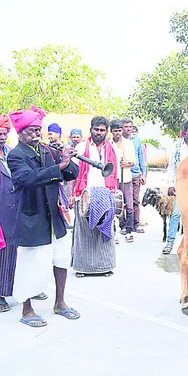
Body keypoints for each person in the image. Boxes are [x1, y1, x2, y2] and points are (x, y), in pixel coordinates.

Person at [7, 106, 80, 327]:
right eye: (31, 130)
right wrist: (59, 165)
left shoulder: (48, 151)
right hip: (33, 214)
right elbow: (28, 178)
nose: (37, 134)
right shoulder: (16, 155)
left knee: (61, 259)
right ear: (20, 133)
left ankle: (60, 302)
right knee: (30, 264)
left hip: (54, 215)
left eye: (38, 130)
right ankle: (27, 309)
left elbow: (71, 173)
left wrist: (67, 158)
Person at [0, 115, 38, 314]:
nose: (2, 138)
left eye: (4, 134)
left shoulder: (13, 153)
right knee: (2, 253)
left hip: (19, 210)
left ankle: (23, 289)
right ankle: (0, 294)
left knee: (22, 253)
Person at [70, 117, 119, 276]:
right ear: (91, 129)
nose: (99, 133)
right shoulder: (80, 147)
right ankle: (82, 268)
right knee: (84, 232)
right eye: (96, 129)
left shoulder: (113, 150)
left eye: (102, 130)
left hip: (106, 195)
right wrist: (71, 195)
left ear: (107, 132)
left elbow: (115, 175)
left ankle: (105, 266)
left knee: (104, 230)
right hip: (84, 195)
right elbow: (72, 174)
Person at [163, 121, 188, 254]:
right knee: (176, 214)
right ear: (185, 131)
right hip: (180, 184)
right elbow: (171, 167)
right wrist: (170, 184)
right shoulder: (177, 146)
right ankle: (170, 242)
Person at [110, 120, 137, 242]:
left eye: (119, 130)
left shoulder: (129, 143)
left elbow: (133, 162)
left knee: (129, 206)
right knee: (114, 206)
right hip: (112, 179)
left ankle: (129, 231)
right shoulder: (108, 144)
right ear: (111, 131)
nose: (118, 133)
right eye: (115, 131)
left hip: (126, 178)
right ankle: (113, 231)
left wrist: (127, 163)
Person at [122, 119, 147, 233]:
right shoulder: (118, 140)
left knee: (135, 200)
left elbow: (141, 157)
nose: (128, 129)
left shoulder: (136, 140)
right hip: (122, 174)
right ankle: (123, 224)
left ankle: (135, 224)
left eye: (130, 127)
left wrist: (144, 173)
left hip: (135, 174)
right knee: (122, 200)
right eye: (126, 126)